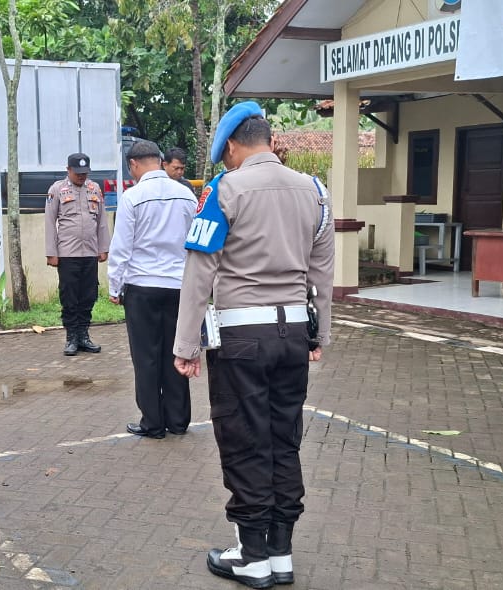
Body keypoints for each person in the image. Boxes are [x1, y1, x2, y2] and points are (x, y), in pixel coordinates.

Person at [172, 102, 334, 588]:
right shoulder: (315, 191)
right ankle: (281, 553)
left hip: (241, 337)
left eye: (224, 154)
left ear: (233, 146)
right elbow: (323, 274)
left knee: (245, 441)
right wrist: (319, 334)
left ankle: (252, 556)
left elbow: (200, 271)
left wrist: (186, 344)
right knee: (284, 440)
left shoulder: (224, 190)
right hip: (293, 335)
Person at [107, 140, 198, 439]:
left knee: (146, 357)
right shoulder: (186, 194)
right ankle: (179, 420)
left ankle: (153, 423)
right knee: (177, 351)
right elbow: (195, 242)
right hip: (178, 287)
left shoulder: (132, 197)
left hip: (142, 287)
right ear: (159, 161)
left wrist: (114, 286)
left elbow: (121, 247)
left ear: (133, 165)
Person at [45, 152, 111, 356]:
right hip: (67, 253)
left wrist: (103, 247)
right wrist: (51, 253)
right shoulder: (57, 189)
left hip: (90, 252)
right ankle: (71, 337)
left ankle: (84, 335)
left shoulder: (94, 188)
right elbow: (49, 222)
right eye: (77, 172)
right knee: (70, 296)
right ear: (68, 170)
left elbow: (101, 220)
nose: (82, 176)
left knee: (89, 295)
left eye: (85, 173)